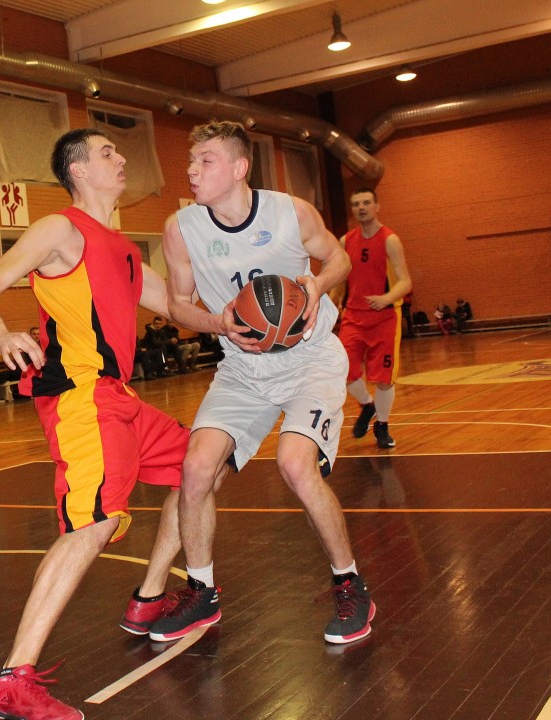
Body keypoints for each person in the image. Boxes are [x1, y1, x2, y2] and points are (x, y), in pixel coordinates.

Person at [0, 128, 190, 719]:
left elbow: (176, 305)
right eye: (106, 152)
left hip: (121, 397)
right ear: (78, 170)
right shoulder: (59, 229)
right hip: (81, 396)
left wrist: (244, 320)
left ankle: (149, 597)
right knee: (93, 523)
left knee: (201, 465)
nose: (121, 158)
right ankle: (12, 680)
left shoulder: (125, 249)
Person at [157, 120, 375, 646]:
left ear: (239, 167)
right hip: (242, 367)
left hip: (310, 359)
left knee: (296, 465)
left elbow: (339, 257)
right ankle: (202, 592)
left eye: (205, 161)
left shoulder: (290, 212)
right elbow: (177, 304)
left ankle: (350, 584)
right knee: (196, 469)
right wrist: (218, 323)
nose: (191, 171)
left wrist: (317, 285)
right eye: (191, 161)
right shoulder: (181, 228)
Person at [336, 188, 412, 450]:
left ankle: (382, 425)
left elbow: (405, 281)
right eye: (356, 204)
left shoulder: (390, 239)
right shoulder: (345, 241)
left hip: (384, 317)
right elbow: (340, 278)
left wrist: (386, 298)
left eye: (366, 202)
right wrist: (333, 303)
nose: (361, 207)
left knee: (383, 378)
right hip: (353, 316)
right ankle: (367, 406)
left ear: (377, 206)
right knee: (343, 369)